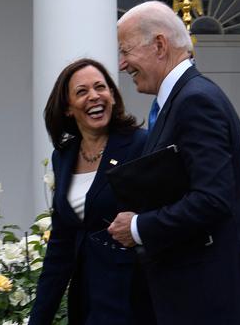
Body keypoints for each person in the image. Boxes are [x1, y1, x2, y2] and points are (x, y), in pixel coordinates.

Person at [108, 1, 240, 324]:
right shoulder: (182, 100)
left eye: (126, 51)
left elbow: (213, 199)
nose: (122, 64)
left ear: (159, 45)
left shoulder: (195, 101)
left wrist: (138, 227)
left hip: (208, 300)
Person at [29, 58, 148, 324]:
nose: (94, 96)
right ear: (68, 108)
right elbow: (60, 246)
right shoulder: (63, 157)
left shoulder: (141, 144)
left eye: (100, 87)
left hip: (134, 298)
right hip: (87, 300)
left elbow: (170, 208)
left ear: (113, 97)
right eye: (82, 92)